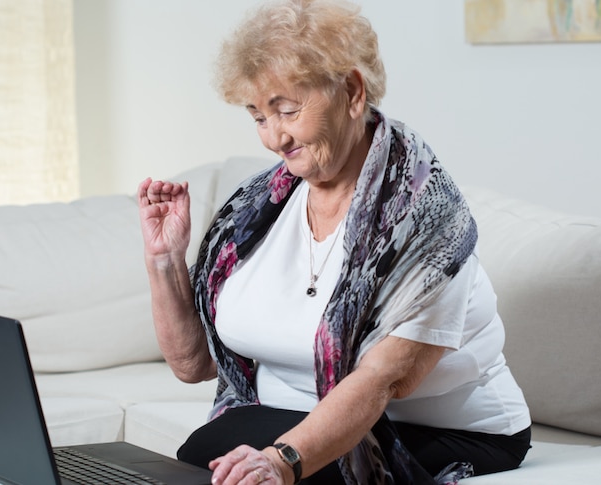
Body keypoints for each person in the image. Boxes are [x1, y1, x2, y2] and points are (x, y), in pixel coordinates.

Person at [136, 1, 531, 483]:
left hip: (441, 429)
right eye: (259, 116)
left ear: (351, 91)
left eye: (286, 109)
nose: (274, 138)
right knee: (207, 452)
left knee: (283, 468)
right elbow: (194, 365)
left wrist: (282, 461)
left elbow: (384, 378)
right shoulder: (253, 211)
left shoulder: (427, 218)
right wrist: (165, 260)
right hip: (292, 414)